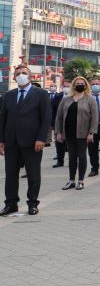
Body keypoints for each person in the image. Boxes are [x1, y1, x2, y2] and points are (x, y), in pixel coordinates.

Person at [0, 65, 51, 216]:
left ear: (30, 76)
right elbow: (2, 119)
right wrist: (1, 140)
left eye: (24, 73)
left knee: (33, 173)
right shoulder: (8, 95)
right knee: (10, 175)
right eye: (18, 73)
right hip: (11, 142)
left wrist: (41, 138)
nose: (21, 75)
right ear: (14, 77)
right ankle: (11, 204)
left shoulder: (41, 94)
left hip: (33, 142)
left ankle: (32, 203)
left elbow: (46, 118)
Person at [54, 77, 97, 191]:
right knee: (72, 157)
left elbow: (94, 118)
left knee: (82, 156)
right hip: (69, 132)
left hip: (83, 133)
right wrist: (58, 132)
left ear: (86, 85)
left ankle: (81, 180)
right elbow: (59, 117)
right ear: (73, 85)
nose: (79, 85)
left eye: (82, 83)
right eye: (77, 83)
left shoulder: (90, 99)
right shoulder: (66, 99)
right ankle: (71, 180)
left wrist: (91, 133)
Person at [51, 81, 67, 168]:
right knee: (59, 142)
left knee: (71, 144)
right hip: (59, 123)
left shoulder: (76, 96)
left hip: (71, 124)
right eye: (64, 86)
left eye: (68, 86)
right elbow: (52, 109)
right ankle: (60, 160)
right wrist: (52, 123)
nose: (66, 88)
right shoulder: (58, 96)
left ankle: (74, 160)